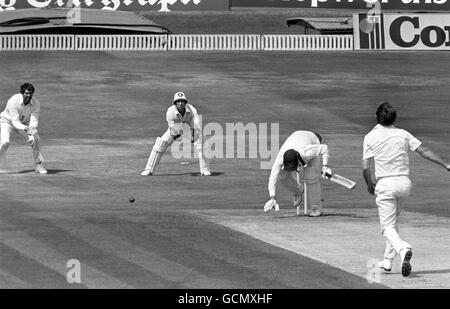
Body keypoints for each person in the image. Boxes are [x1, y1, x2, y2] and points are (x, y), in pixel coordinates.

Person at [362, 102, 450, 277]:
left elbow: (365, 167)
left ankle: (403, 249)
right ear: (394, 119)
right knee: (393, 222)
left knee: (386, 226)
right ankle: (387, 261)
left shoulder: (370, 137)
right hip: (404, 184)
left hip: (385, 184)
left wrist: (369, 184)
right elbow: (423, 150)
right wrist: (446, 164)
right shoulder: (403, 134)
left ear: (377, 117)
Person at [141, 91, 211, 176]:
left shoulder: (192, 110)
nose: (180, 103)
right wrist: (177, 136)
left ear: (185, 102)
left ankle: (205, 170)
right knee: (160, 144)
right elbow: (173, 128)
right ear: (175, 103)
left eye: (182, 101)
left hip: (189, 129)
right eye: (178, 101)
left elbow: (196, 123)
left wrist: (193, 135)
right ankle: (149, 170)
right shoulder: (170, 111)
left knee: (202, 143)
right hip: (175, 130)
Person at [265, 130, 331, 217]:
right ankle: (298, 192)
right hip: (296, 137)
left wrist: (325, 166)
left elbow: (324, 148)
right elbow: (272, 177)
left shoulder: (307, 152)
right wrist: (272, 197)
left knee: (310, 177)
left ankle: (316, 209)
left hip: (312, 141)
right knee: (282, 175)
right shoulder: (280, 159)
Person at [0, 83, 47, 174]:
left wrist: (32, 130)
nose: (29, 95)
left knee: (35, 139)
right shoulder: (13, 100)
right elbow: (15, 122)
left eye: (31, 93)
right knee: (5, 142)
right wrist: (26, 129)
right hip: (7, 121)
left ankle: (39, 165)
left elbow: (34, 120)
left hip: (24, 124)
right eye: (26, 93)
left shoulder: (36, 104)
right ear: (22, 93)